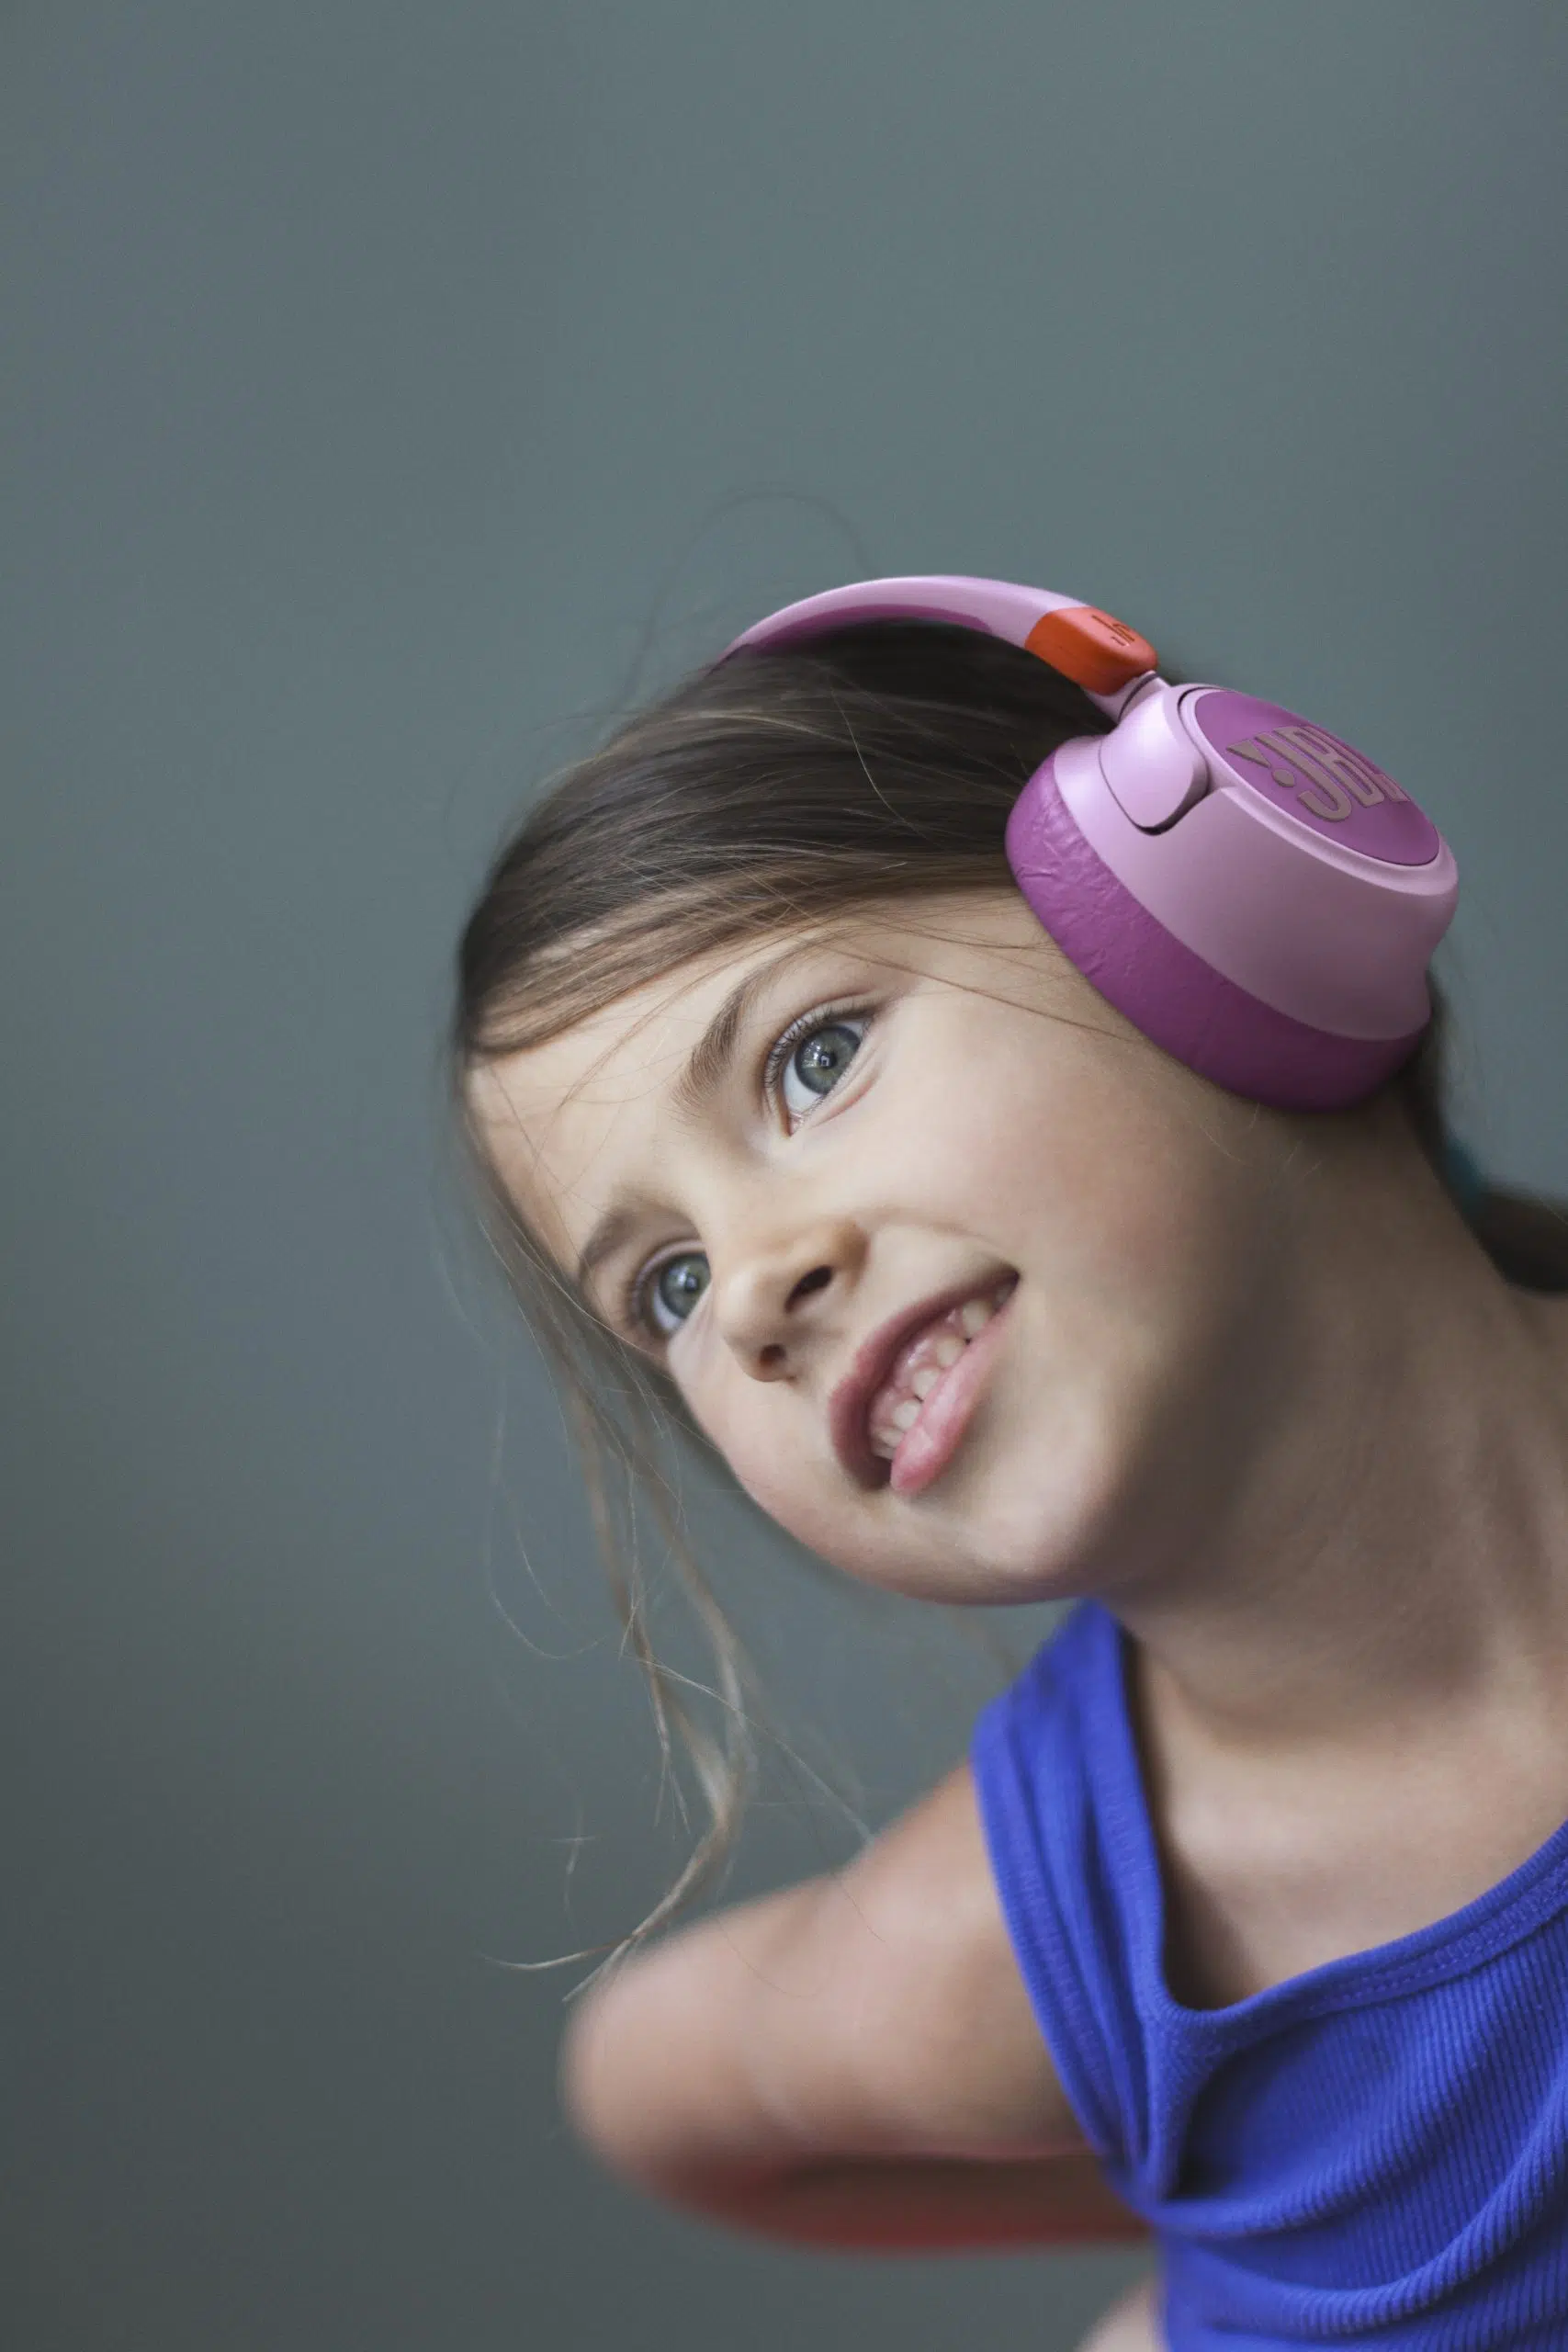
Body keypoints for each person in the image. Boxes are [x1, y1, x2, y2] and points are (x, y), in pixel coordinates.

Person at [451, 582, 1568, 2351]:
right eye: (661, 1287)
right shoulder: (1005, 1942)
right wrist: (1195, 2248)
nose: (748, 1290)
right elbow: (639, 2086)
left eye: (814, 1059)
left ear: (1227, 911)